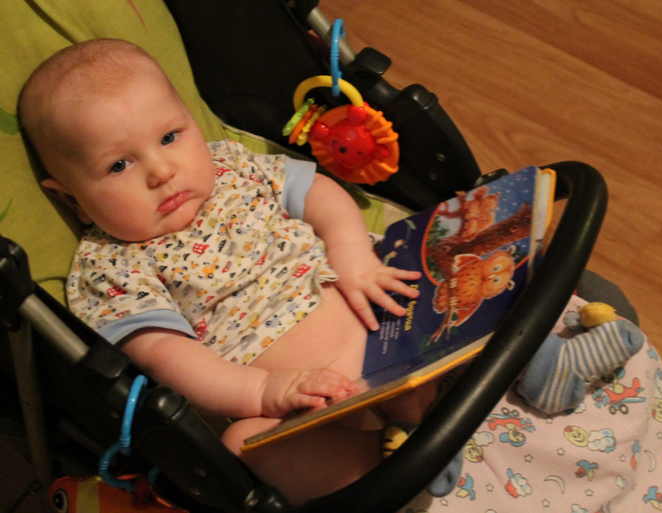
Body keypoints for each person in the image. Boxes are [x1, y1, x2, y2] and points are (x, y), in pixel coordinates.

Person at [18, 38, 437, 504]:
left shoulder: (229, 165)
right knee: (243, 447)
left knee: (419, 279)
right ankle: (383, 462)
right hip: (293, 403)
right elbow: (166, 356)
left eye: (170, 137)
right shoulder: (111, 265)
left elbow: (316, 192)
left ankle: (441, 411)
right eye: (119, 165)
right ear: (71, 198)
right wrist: (264, 390)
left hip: (379, 328)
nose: (161, 171)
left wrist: (351, 253)